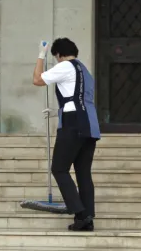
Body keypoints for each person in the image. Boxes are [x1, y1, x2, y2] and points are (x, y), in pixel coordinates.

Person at [32, 37, 101, 231]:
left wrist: (40, 56)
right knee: (83, 173)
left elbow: (37, 80)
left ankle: (78, 211)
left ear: (59, 54)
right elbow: (78, 98)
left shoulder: (65, 65)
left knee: (59, 169)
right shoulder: (85, 71)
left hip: (73, 124)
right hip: (90, 124)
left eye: (55, 57)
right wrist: (57, 112)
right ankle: (87, 219)